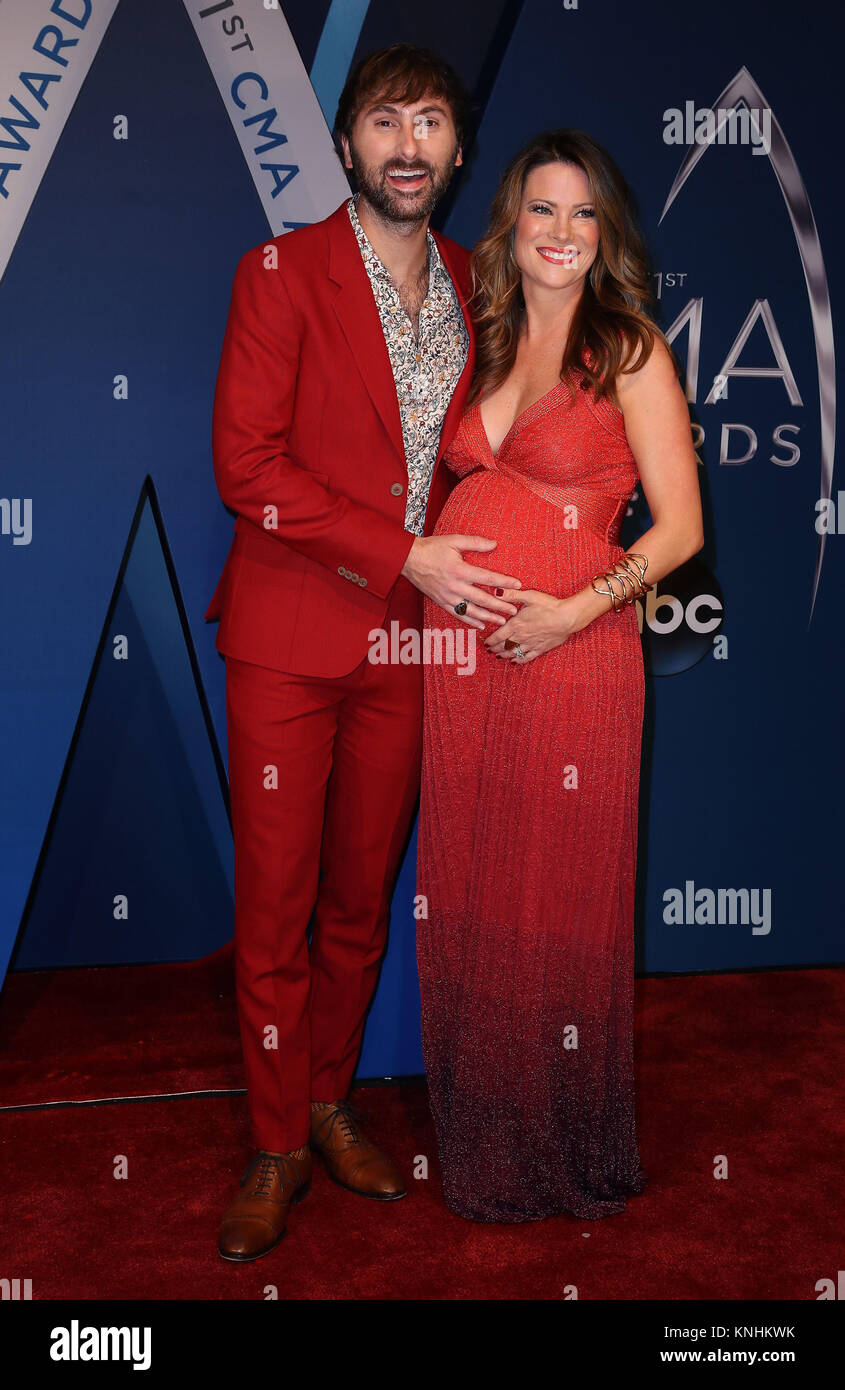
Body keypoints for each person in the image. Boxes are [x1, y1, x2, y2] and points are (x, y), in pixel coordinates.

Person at [205, 43, 523, 1262]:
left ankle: (328, 1102)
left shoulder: (473, 278)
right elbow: (246, 466)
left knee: (356, 901)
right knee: (275, 905)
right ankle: (274, 1142)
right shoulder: (278, 273)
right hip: (290, 637)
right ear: (346, 144)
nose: (406, 144)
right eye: (384, 121)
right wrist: (405, 555)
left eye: (429, 121)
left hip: (409, 646)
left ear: (455, 149)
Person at [416, 129, 704, 1222]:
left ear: (604, 234)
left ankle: (559, 1141)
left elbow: (678, 530)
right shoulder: (482, 343)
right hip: (464, 666)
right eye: (542, 208)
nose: (562, 231)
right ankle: (485, 1133)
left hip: (574, 656)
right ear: (511, 223)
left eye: (583, 213)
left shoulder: (626, 348)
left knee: (554, 897)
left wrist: (573, 611)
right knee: (475, 889)